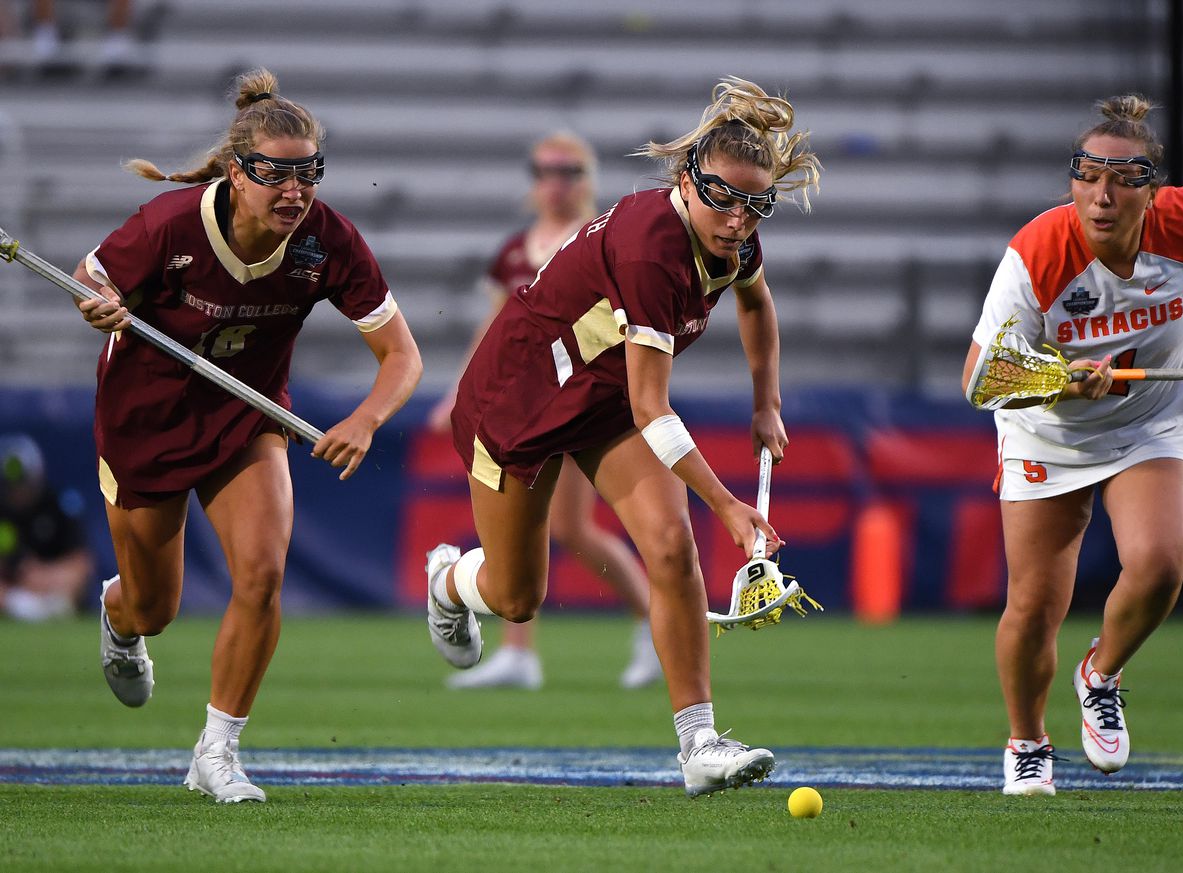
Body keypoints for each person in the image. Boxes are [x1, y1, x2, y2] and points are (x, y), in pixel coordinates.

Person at [423, 76, 820, 797]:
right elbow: (652, 408)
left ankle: (699, 743)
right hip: (518, 401)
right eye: (724, 198)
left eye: (755, 205)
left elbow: (757, 303)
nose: (737, 219)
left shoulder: (733, 238)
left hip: (601, 401)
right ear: (687, 179)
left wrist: (768, 402)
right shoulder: (650, 252)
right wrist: (729, 505)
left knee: (672, 547)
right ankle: (447, 579)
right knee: (516, 597)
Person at [72, 68, 422, 803]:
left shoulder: (327, 241)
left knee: (262, 573)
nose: (294, 192)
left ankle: (217, 751)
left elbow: (402, 355)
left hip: (247, 414)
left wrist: (364, 418)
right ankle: (119, 611)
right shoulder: (171, 224)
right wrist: (99, 302)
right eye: (274, 175)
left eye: (309, 174)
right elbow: (93, 275)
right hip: (147, 420)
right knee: (155, 608)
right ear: (237, 172)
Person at [963, 95, 1183, 796]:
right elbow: (978, 379)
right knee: (1034, 607)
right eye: (1088, 175)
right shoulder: (1038, 254)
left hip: (1153, 422)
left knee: (1161, 563)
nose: (1102, 195)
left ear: (1152, 189)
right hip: (1047, 432)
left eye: (1123, 178)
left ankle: (1100, 671)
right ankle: (1027, 742)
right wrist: (1058, 380)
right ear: (1073, 180)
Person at [428, 132, 660, 692]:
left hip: (584, 397)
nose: (557, 183)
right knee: (530, 526)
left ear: (588, 178)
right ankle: (520, 649)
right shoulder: (513, 251)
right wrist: (459, 392)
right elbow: (495, 330)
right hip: (522, 402)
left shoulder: (602, 237)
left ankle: (650, 619)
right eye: (546, 171)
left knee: (571, 526)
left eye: (570, 171)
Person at [0, 433, 93, 621]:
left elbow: (81, 564)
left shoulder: (59, 508)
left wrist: (43, 576)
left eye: (23, 482)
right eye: (11, 484)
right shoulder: (3, 512)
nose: (18, 490)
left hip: (55, 592)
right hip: (12, 595)